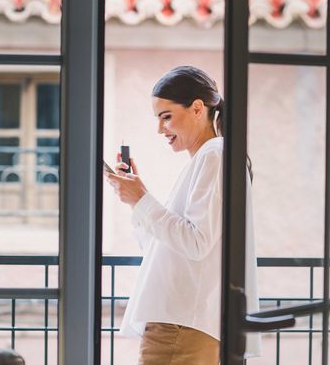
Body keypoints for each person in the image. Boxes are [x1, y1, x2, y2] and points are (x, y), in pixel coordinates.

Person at [105, 65, 261, 364]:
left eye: (166, 117)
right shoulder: (208, 158)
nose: (160, 129)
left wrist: (143, 199)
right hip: (180, 320)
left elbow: (196, 242)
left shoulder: (215, 155)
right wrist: (136, 201)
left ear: (198, 108)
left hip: (181, 322)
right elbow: (166, 246)